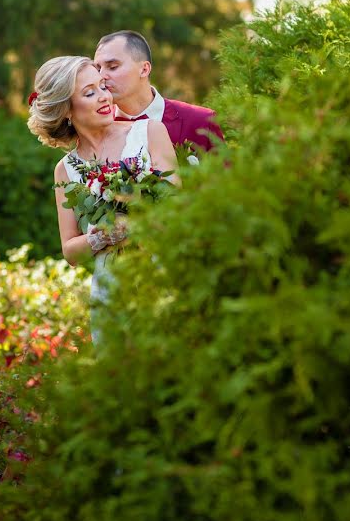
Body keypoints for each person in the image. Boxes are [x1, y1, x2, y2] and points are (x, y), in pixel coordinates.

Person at [26, 55, 179, 339]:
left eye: (102, 87)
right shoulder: (65, 170)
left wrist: (138, 216)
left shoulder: (150, 133)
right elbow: (70, 250)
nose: (103, 97)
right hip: (111, 295)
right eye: (89, 92)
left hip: (163, 277)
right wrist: (101, 235)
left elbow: (180, 211)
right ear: (66, 109)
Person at [94, 30, 224, 152]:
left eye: (112, 67)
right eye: (98, 69)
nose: (101, 76)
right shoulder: (95, 128)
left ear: (144, 69)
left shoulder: (201, 122)